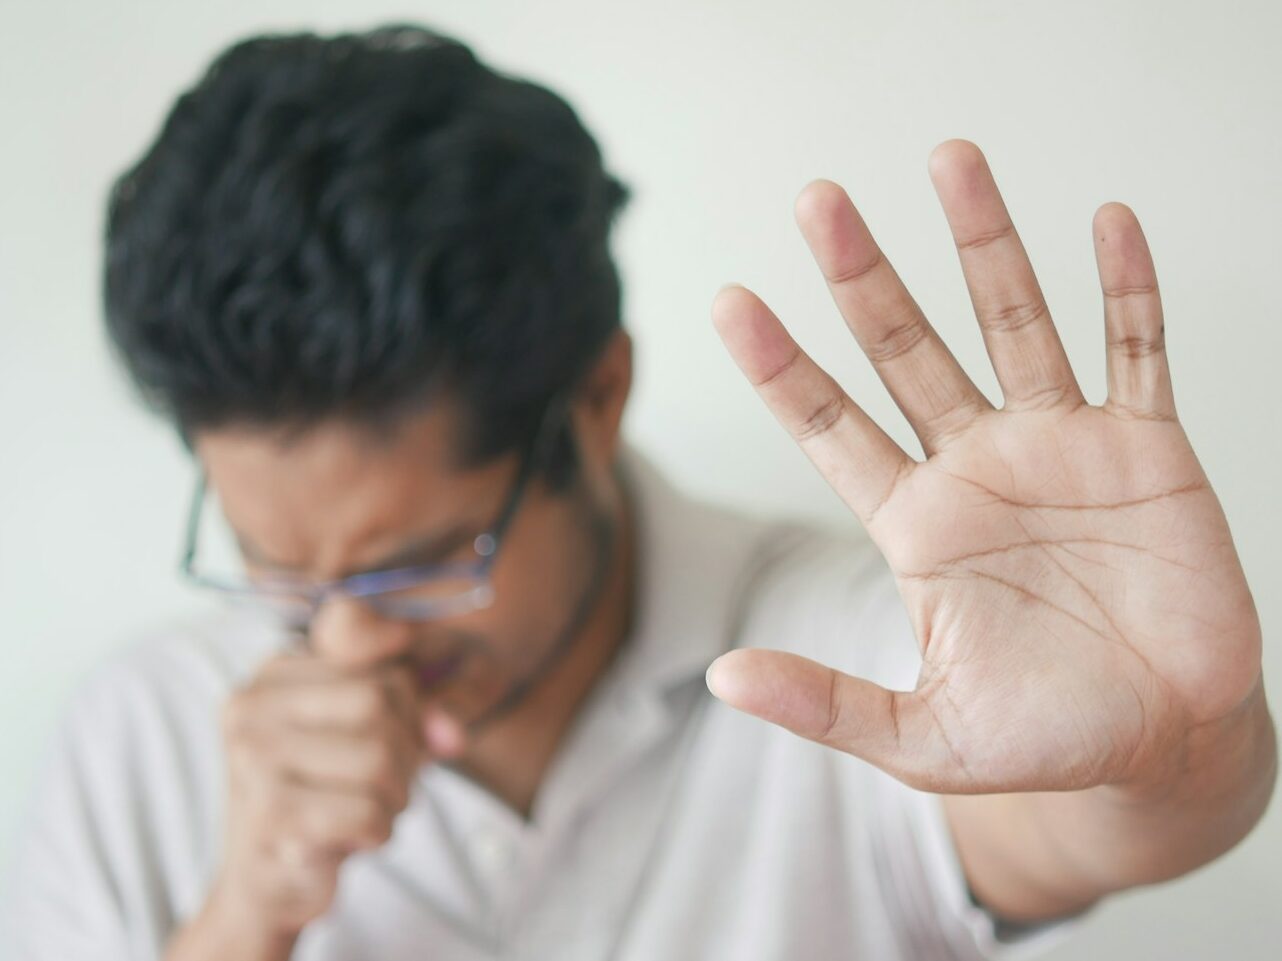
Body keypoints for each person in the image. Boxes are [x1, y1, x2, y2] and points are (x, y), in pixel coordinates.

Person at [3, 22, 1274, 961]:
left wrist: (1175, 751)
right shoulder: (142, 736)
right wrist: (242, 920)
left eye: (425, 560)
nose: (346, 636)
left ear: (597, 398)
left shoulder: (851, 650)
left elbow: (1093, 824)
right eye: (275, 565)